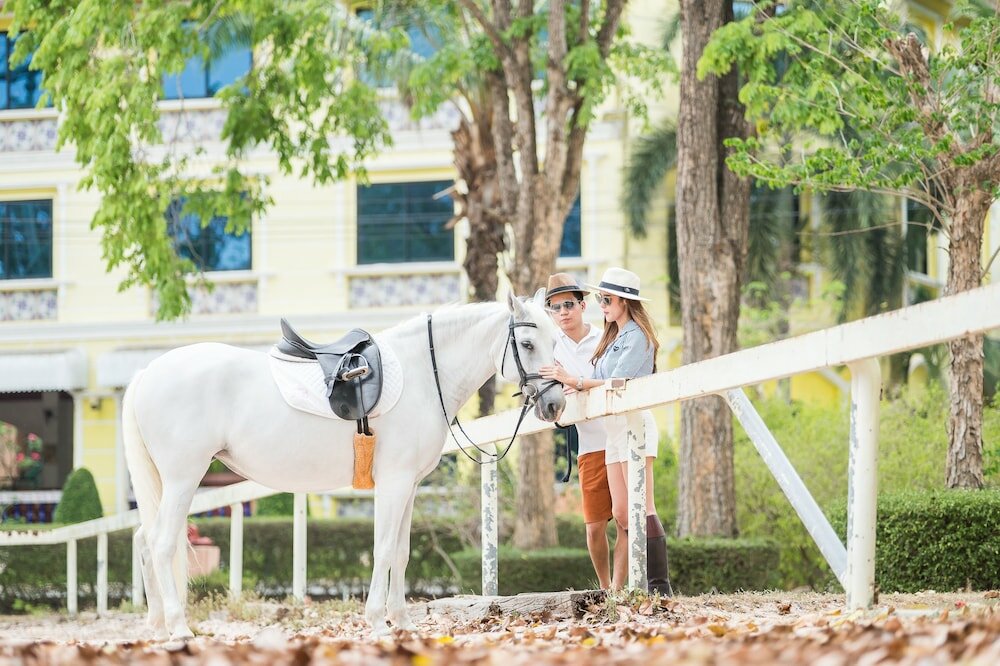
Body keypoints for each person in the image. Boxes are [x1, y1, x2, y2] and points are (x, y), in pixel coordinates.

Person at [541, 267, 673, 595]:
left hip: (633, 425)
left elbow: (619, 382)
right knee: (621, 512)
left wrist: (575, 381)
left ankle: (658, 585)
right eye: (600, 298)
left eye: (607, 299)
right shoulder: (613, 335)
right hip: (612, 432)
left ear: (625, 301)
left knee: (644, 506)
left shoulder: (638, 337)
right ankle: (629, 587)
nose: (603, 304)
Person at [539, 273, 616, 589]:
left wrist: (572, 381)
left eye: (568, 304)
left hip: (619, 436)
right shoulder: (550, 348)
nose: (563, 313)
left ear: (583, 305)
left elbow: (612, 380)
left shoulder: (605, 338)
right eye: (555, 308)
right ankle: (606, 587)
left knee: (626, 519)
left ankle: (623, 588)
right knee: (594, 526)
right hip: (589, 445)